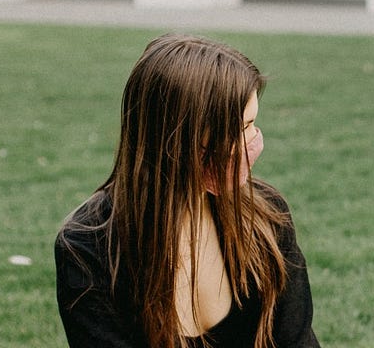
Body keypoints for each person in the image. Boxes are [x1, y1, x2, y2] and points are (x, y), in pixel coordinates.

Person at [55, 34, 317, 348]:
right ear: (178, 141)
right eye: (241, 128)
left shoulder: (265, 217)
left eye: (252, 123)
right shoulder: (90, 247)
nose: (254, 141)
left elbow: (297, 342)